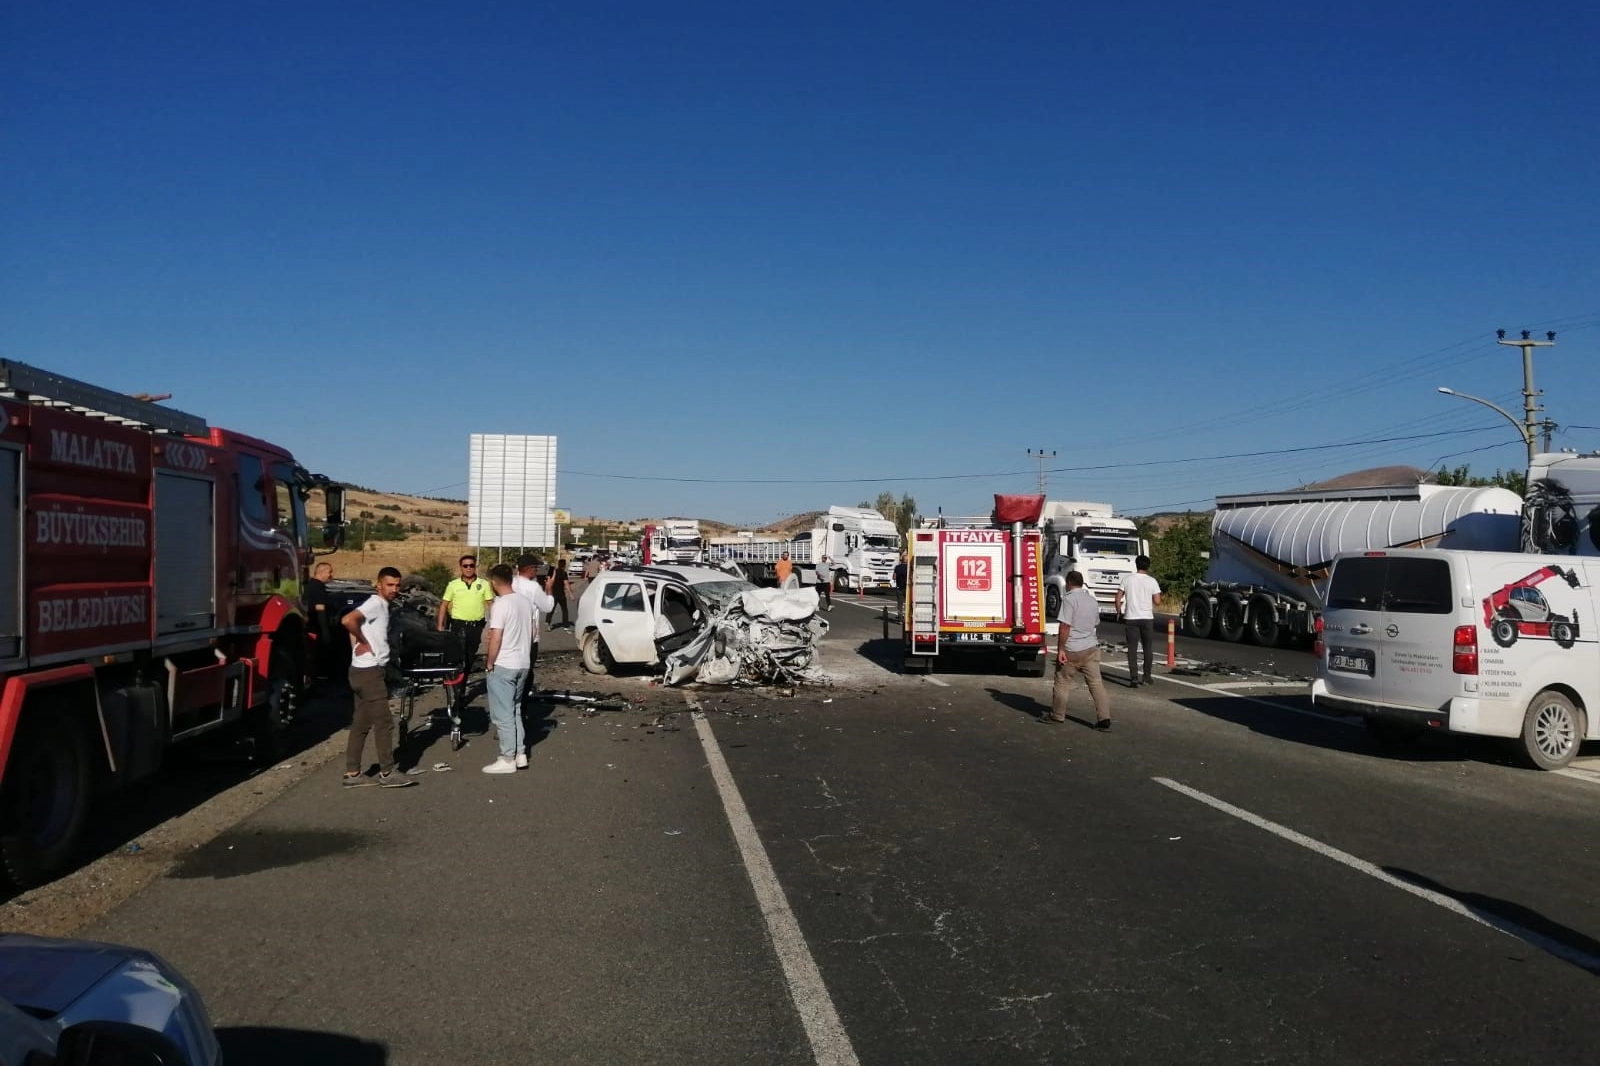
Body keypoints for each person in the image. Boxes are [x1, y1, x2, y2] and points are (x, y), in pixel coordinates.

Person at [340, 567, 416, 787]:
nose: (394, 589)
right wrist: (363, 642)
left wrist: (357, 647)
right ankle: (387, 772)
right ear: (379, 584)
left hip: (361, 669)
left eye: (397, 585)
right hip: (369, 672)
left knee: (361, 723)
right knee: (384, 722)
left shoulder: (380, 606)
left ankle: (352, 774)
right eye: (389, 585)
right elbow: (348, 621)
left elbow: (352, 625)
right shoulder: (375, 604)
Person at [482, 564, 534, 774]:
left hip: (504, 663)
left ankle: (507, 758)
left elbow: (496, 636)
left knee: (503, 714)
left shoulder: (501, 604)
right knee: (516, 709)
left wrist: (489, 661)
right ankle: (520, 754)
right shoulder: (525, 601)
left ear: (493, 582)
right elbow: (533, 631)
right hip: (523, 662)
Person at [1043, 570, 1111, 730]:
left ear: (1069, 583)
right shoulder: (1092, 600)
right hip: (1091, 648)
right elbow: (1095, 623)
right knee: (1096, 684)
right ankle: (1104, 718)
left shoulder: (1069, 599)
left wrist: (1061, 649)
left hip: (1073, 648)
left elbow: (1065, 626)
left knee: (1062, 682)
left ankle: (1057, 715)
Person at [437, 555, 494, 674]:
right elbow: (444, 605)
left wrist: (494, 626)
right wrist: (440, 626)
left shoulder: (483, 584)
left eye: (471, 565)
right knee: (458, 653)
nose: (468, 568)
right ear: (461, 567)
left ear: (475, 567)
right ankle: (457, 680)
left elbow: (491, 604)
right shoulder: (453, 585)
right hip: (458, 625)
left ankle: (463, 679)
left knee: (470, 655)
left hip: (476, 626)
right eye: (465, 566)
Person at [1115, 554, 1162, 687]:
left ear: (1136, 565)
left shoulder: (1127, 579)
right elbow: (1157, 601)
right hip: (1147, 618)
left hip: (1131, 617)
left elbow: (1118, 597)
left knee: (1132, 648)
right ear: (1148, 566)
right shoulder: (1152, 581)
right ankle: (1147, 676)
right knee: (1147, 648)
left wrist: (1119, 612)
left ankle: (1133, 677)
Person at [513, 553, 556, 691]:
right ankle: (522, 707)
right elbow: (548, 606)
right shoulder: (533, 587)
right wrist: (549, 588)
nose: (537, 570)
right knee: (526, 673)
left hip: (510, 634)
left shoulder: (509, 583)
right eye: (536, 568)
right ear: (529, 569)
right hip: (529, 636)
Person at [303, 561, 333, 680]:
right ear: (321, 572)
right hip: (315, 628)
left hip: (309, 626)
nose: (331, 575)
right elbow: (320, 609)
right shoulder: (318, 587)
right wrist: (325, 631)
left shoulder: (310, 585)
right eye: (329, 572)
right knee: (314, 656)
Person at [549, 558, 572, 628]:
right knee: (564, 609)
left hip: (553, 593)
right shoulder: (563, 573)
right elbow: (566, 584)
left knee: (551, 609)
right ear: (564, 565)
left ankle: (547, 621)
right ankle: (565, 625)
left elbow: (550, 581)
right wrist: (571, 594)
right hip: (561, 594)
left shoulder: (554, 571)